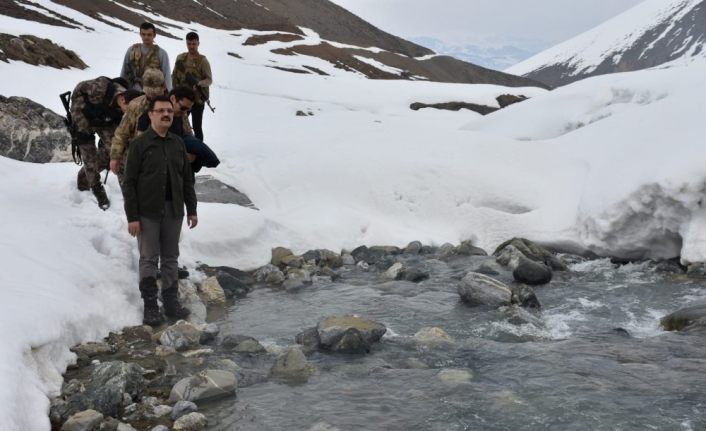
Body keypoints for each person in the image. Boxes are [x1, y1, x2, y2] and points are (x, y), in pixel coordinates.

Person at [121, 95, 197, 326]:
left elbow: (186, 180)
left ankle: (171, 302)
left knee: (171, 257)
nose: (166, 114)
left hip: (174, 210)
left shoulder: (177, 143)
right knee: (148, 258)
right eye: (161, 111)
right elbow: (129, 182)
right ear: (151, 114)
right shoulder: (139, 144)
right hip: (147, 212)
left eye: (169, 111)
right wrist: (132, 217)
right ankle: (151, 306)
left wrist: (191, 209)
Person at [69, 76, 136, 209]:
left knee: (118, 153)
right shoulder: (99, 89)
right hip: (83, 114)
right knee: (89, 156)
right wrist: (80, 113)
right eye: (128, 110)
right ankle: (96, 188)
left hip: (106, 118)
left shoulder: (127, 105)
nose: (130, 114)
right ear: (122, 100)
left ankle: (128, 192)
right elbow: (79, 88)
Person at [136, 86, 220, 175]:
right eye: (183, 108)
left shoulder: (179, 115)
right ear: (173, 99)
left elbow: (185, 136)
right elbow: (141, 147)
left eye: (188, 110)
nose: (185, 112)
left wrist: (191, 158)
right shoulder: (151, 115)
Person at [110, 68, 166, 181]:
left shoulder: (171, 105)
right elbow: (121, 132)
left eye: (155, 91)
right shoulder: (135, 105)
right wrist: (115, 156)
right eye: (149, 92)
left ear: (163, 86)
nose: (152, 95)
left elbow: (185, 132)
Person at [172, 31, 212, 141]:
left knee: (197, 127)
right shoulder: (181, 58)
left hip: (197, 99)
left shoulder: (203, 61)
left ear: (198, 43)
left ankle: (199, 152)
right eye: (189, 44)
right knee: (178, 123)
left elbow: (209, 80)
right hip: (182, 99)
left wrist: (198, 83)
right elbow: (174, 76)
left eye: (194, 44)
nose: (191, 46)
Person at [120, 22, 172, 92]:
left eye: (149, 35)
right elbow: (124, 71)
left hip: (153, 92)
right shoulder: (131, 50)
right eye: (143, 34)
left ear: (154, 35)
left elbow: (167, 76)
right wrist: (121, 88)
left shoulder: (162, 53)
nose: (146, 37)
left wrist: (168, 93)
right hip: (132, 90)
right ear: (140, 34)